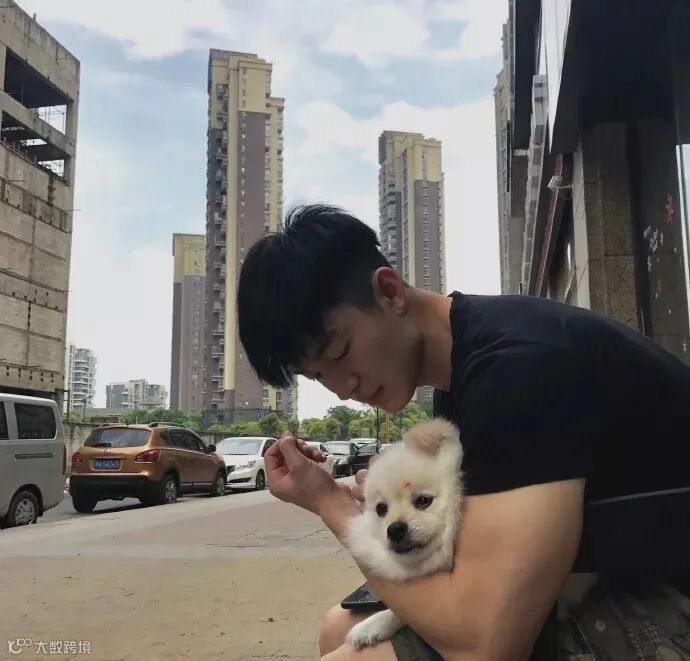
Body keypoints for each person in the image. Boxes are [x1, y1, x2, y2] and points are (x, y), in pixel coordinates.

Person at [237, 205, 690, 660]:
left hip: (669, 600)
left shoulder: (516, 369)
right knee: (341, 627)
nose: (342, 388)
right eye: (318, 375)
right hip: (614, 576)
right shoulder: (464, 374)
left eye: (339, 352)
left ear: (389, 292)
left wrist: (329, 503)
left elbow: (485, 647)